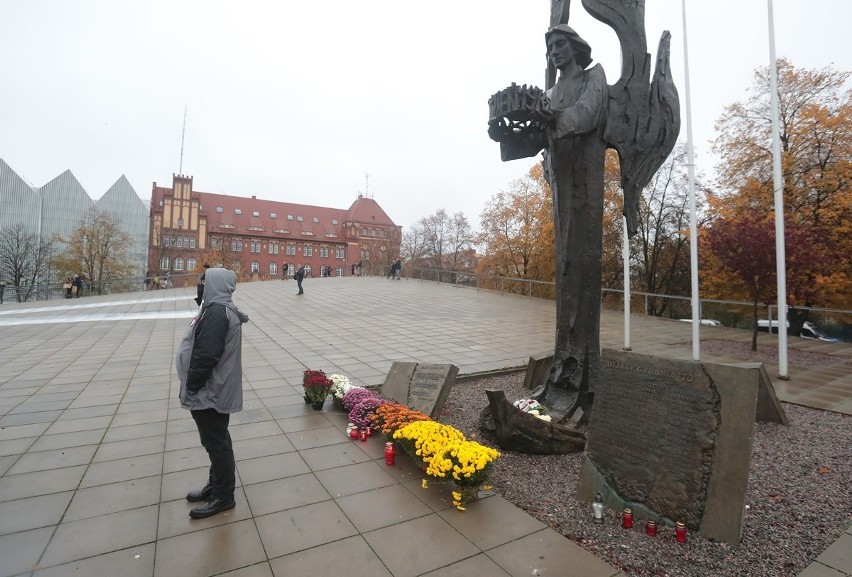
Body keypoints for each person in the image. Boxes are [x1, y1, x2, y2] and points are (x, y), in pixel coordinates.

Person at [176, 267, 250, 519]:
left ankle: (224, 495)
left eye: (204, 282)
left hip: (210, 391)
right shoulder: (214, 308)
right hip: (212, 389)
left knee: (217, 442)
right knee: (214, 441)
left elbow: (206, 355)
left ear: (215, 285)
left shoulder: (217, 313)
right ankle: (216, 485)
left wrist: (192, 384)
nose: (201, 285)